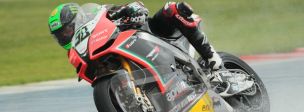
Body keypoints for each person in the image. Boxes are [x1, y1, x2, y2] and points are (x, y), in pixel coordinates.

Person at [48, 1, 223, 71]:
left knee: (172, 8)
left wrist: (131, 10)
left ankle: (211, 57)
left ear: (77, 21)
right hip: (139, 59)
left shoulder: (100, 14)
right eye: (60, 35)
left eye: (66, 30)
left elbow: (137, 5)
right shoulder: (81, 53)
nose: (65, 36)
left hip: (152, 34)